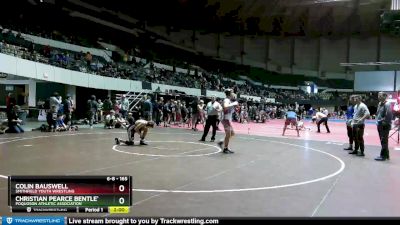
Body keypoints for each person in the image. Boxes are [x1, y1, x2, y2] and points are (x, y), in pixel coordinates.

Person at [217, 89, 238, 154]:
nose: (233, 94)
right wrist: (234, 103)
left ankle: (222, 142)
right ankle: (225, 148)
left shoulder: (229, 100)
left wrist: (234, 104)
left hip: (227, 119)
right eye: (232, 93)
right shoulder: (226, 100)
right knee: (228, 133)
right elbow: (225, 107)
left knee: (232, 133)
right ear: (229, 94)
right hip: (225, 119)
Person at [375, 92, 393, 161]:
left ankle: (383, 156)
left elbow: (389, 115)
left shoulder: (387, 104)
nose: (378, 97)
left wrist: (383, 122)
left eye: (380, 95)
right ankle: (387, 155)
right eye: (378, 95)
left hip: (384, 125)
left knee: (383, 140)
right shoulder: (380, 104)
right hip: (380, 124)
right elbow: (378, 113)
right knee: (383, 140)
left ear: (385, 96)